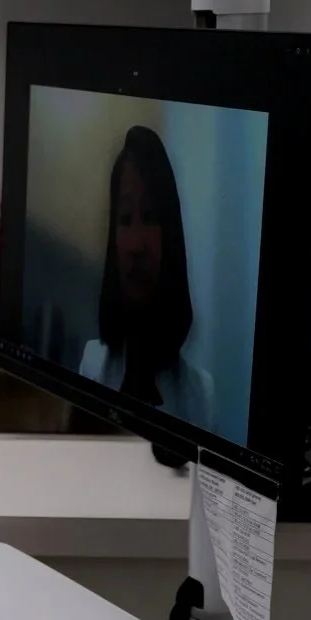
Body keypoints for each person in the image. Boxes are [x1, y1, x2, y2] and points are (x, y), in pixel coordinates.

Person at [77, 126, 213, 430]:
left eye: (150, 217)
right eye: (125, 219)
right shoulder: (92, 366)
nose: (137, 245)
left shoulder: (201, 397)